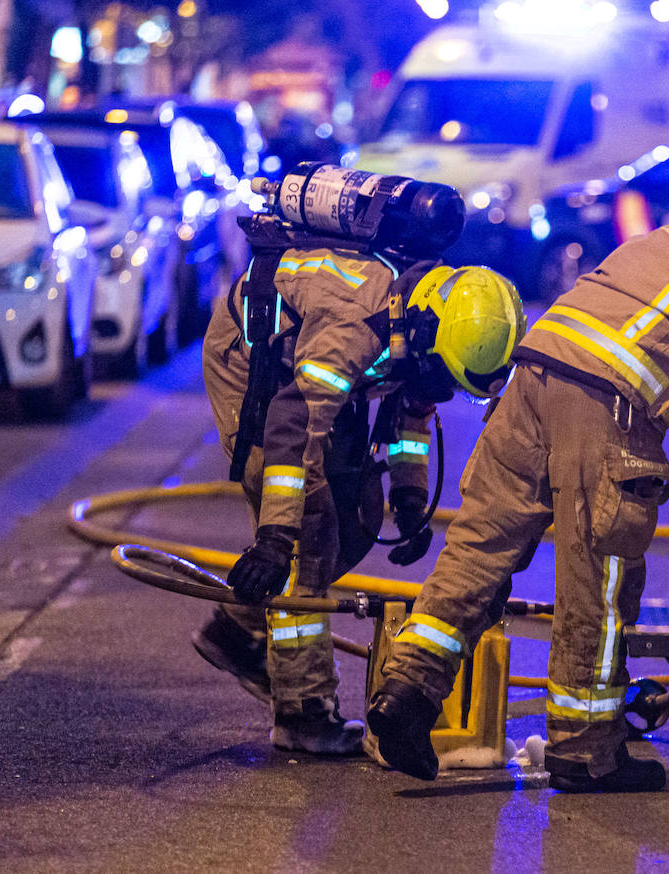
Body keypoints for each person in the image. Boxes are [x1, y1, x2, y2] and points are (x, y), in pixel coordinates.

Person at [367, 147, 669, 791]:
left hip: (536, 371)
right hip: (603, 400)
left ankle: (406, 693)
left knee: (481, 542)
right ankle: (585, 750)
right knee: (598, 573)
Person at [195, 248, 525, 755]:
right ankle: (303, 715)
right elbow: (291, 423)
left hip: (305, 367)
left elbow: (412, 408)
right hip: (250, 361)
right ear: (424, 334)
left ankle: (234, 633)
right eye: (443, 377)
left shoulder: (430, 325)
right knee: (311, 528)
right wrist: (275, 537)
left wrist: (410, 498)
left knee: (359, 514)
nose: (442, 391)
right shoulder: (358, 328)